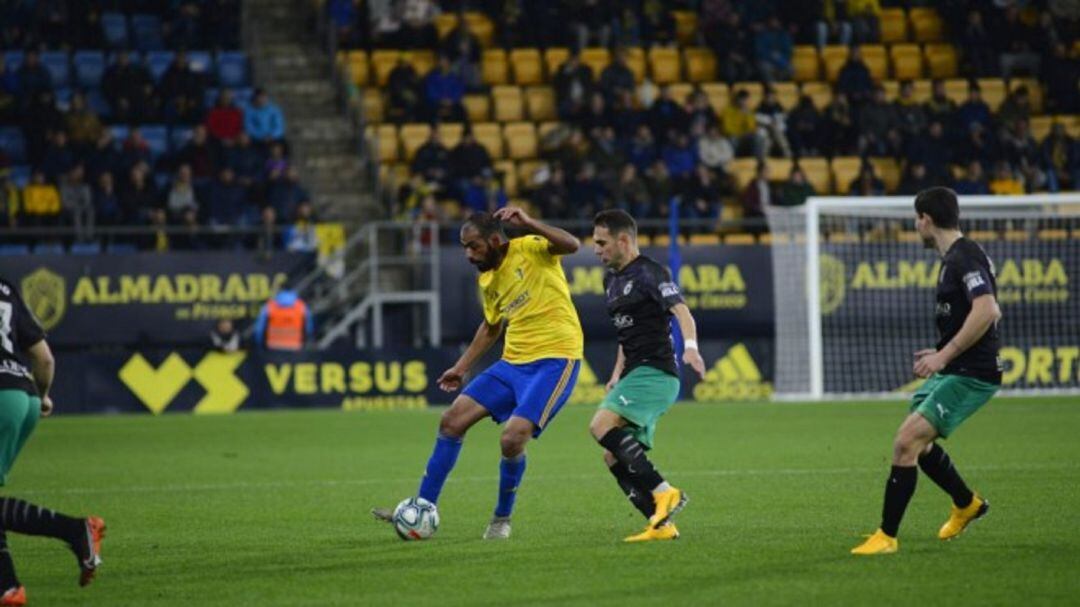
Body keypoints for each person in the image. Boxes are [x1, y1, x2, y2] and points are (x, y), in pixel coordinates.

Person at [372, 208, 583, 539]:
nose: (469, 254)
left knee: (512, 439)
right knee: (451, 420)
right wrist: (461, 367)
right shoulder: (486, 278)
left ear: (495, 240)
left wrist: (528, 222)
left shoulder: (530, 247)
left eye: (474, 246)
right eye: (464, 247)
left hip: (556, 359)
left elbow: (572, 245)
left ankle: (501, 519)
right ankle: (423, 507)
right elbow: (491, 326)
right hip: (513, 362)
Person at [852, 187, 1001, 555]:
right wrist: (940, 354)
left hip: (972, 373)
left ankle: (886, 536)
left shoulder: (963, 258)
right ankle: (966, 503)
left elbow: (987, 310)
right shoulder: (957, 257)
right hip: (955, 367)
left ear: (925, 220)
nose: (915, 226)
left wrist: (944, 354)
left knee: (906, 443)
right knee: (919, 442)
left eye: (916, 220)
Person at [589, 210, 706, 542]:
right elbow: (626, 335)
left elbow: (681, 310)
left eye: (602, 242)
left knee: (599, 426)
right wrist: (615, 375)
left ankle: (663, 490)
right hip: (634, 374)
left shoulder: (650, 273)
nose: (596, 249)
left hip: (656, 372)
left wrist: (691, 348)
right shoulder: (610, 280)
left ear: (623, 240)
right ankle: (661, 525)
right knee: (612, 455)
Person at [0, 279, 106, 603]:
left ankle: (76, 530)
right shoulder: (5, 287)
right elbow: (45, 360)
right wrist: (42, 397)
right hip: (23, 395)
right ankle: (8, 587)